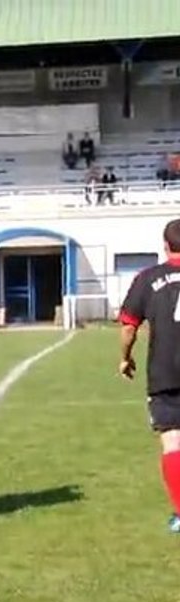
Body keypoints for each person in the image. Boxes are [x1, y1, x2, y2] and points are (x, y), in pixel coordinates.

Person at [118, 218, 180, 534]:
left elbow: (129, 324)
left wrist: (125, 358)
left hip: (165, 370)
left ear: (165, 246)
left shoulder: (148, 277)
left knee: (172, 442)